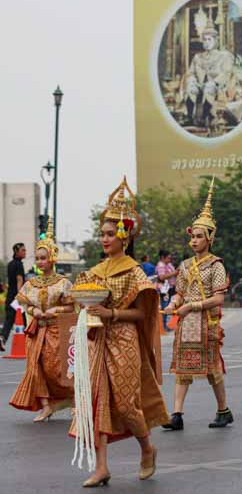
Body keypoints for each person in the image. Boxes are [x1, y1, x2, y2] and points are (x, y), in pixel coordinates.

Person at [71, 177, 168, 487]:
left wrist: (111, 312)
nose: (105, 239)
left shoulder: (134, 271)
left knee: (127, 405)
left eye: (110, 234)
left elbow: (142, 313)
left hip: (124, 338)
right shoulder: (95, 271)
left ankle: (147, 447)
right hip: (98, 339)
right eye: (102, 234)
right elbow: (81, 300)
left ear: (124, 238)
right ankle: (101, 467)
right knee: (97, 401)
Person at [162, 180, 232, 431]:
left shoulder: (216, 265)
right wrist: (173, 302)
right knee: (182, 369)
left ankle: (223, 410)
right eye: (192, 236)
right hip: (186, 324)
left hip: (207, 323)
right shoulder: (184, 265)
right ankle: (177, 414)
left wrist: (191, 306)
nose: (194, 240)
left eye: (199, 236)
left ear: (210, 238)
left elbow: (219, 299)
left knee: (212, 369)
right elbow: (180, 292)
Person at [9, 219, 74, 421]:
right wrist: (33, 310)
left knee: (58, 370)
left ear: (52, 258)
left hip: (57, 332)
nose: (39, 262)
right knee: (36, 369)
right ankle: (45, 406)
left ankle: (72, 401)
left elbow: (72, 307)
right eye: (37, 258)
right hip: (37, 331)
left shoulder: (63, 283)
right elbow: (25, 303)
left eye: (43, 258)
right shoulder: (31, 284)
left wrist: (56, 309)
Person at [2, 242, 26, 350]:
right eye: (23, 250)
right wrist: (20, 296)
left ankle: (2, 338)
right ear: (16, 252)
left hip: (9, 296)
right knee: (25, 319)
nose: (25, 252)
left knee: (9, 320)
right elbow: (19, 280)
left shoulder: (10, 264)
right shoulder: (19, 264)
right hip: (16, 297)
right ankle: (31, 343)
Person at [156, 250, 178, 331]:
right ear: (162, 257)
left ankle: (165, 325)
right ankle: (163, 326)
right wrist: (175, 273)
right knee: (164, 306)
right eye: (168, 258)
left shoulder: (168, 264)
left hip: (169, 288)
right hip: (164, 289)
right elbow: (161, 277)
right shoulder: (161, 265)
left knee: (167, 305)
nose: (169, 260)